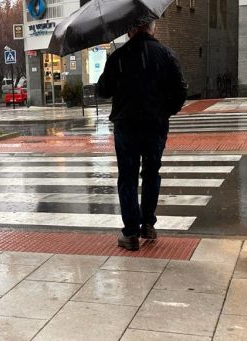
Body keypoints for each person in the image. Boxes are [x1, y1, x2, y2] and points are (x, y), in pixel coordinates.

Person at [96, 21, 187, 251]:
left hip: (126, 126)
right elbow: (180, 91)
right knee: (151, 172)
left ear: (129, 30)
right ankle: (148, 223)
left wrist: (112, 70)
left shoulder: (119, 56)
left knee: (127, 177)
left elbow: (103, 91)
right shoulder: (167, 55)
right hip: (155, 125)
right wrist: (165, 111)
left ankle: (130, 233)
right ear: (152, 27)